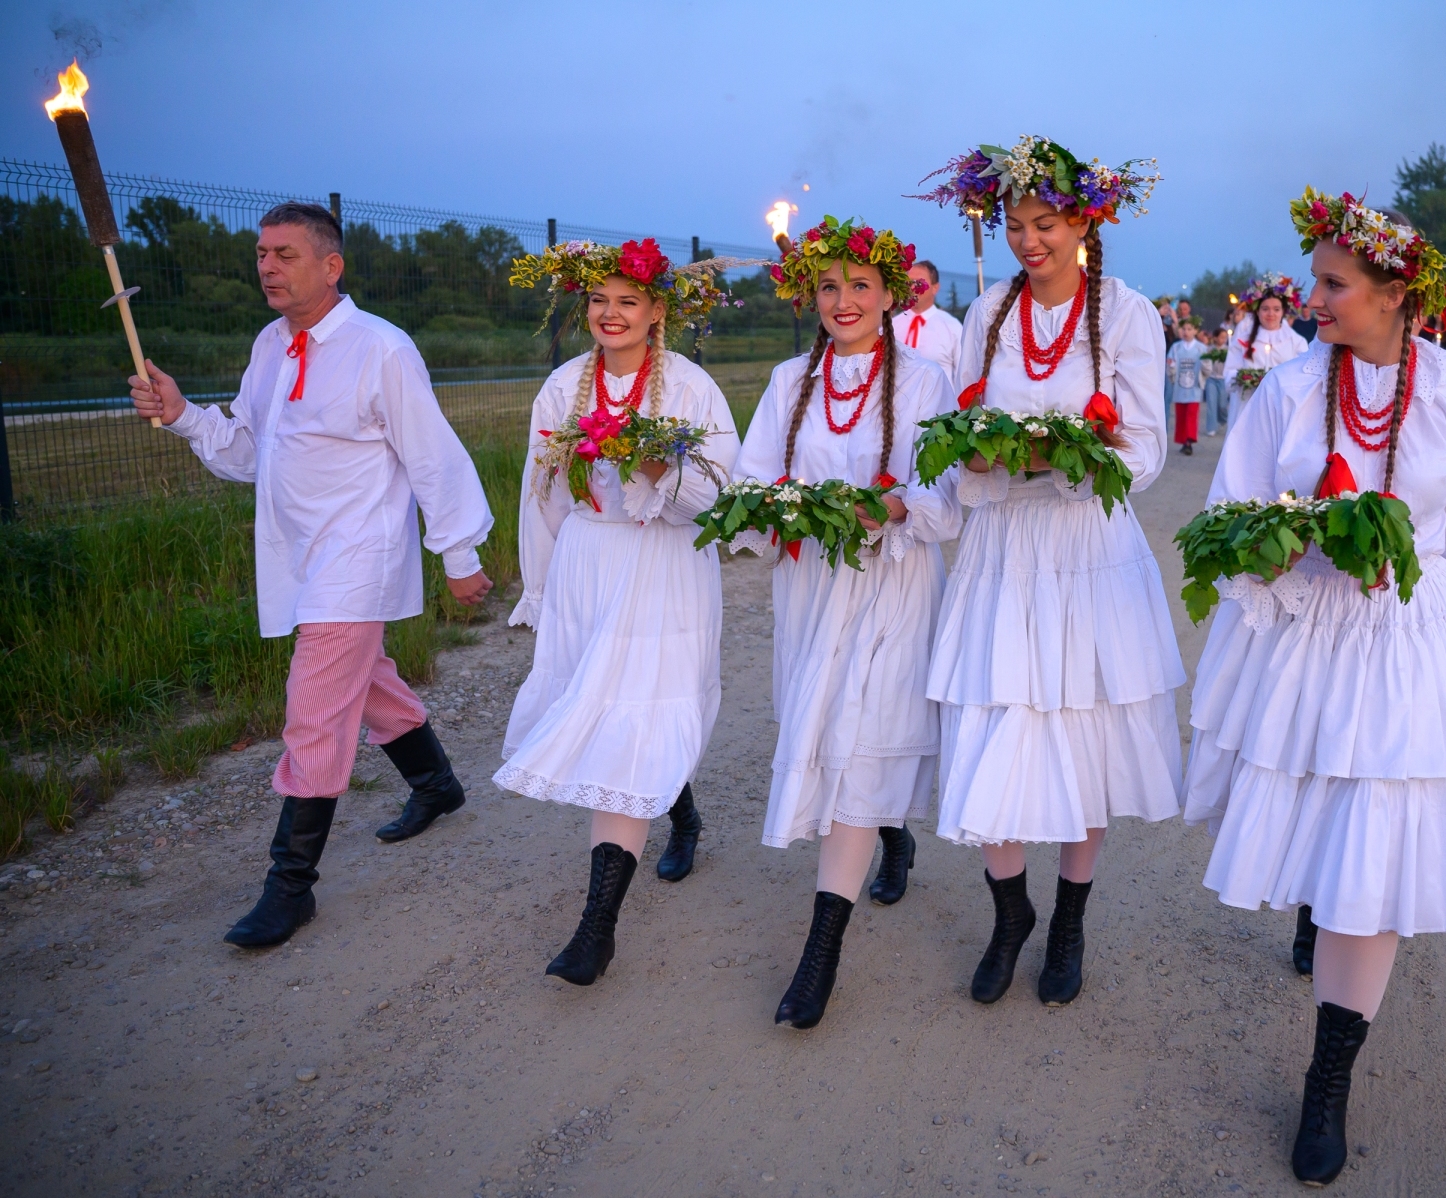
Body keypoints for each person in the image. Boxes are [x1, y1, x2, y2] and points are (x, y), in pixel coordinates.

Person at [1185, 188, 1446, 1186]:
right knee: (1316, 829)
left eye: (1334, 284)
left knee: (1372, 863)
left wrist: (1441, 647)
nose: (1314, 298)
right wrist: (1290, 548)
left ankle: (1327, 1080)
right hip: (1308, 632)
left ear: (1394, 294)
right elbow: (1226, 515)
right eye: (1316, 281)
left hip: (1404, 644)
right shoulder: (1288, 390)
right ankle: (1311, 906)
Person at [127, 202, 494, 948]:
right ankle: (435, 784)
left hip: (359, 557)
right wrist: (185, 413)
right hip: (298, 556)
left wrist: (459, 555)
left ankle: (289, 888)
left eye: (285, 254)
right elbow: (249, 452)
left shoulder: (381, 348)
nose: (267, 266)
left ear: (331, 266)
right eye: (261, 254)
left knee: (315, 708)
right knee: (363, 679)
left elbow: (433, 455)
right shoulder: (269, 345)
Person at [917, 135, 1183, 1008]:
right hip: (1001, 550)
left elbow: (1144, 448)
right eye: (1015, 225)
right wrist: (981, 458)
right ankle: (1010, 915)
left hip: (1087, 548)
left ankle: (1069, 920)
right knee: (993, 725)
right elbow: (959, 429)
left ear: (1084, 224)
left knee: (1084, 732)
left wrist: (1060, 463)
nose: (1029, 241)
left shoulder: (1129, 314)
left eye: (1046, 224)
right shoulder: (988, 312)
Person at [496, 239, 744, 985]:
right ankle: (682, 813)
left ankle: (596, 929)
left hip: (664, 567)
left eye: (628, 301)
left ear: (657, 310)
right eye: (599, 301)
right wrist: (542, 589)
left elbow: (722, 497)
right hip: (589, 564)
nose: (611, 314)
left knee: (636, 715)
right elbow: (542, 495)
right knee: (614, 713)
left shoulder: (691, 388)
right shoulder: (562, 387)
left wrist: (661, 469)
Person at [736, 216, 962, 1029]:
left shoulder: (927, 382)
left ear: (890, 294)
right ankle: (891, 835)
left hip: (893, 584)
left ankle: (820, 954)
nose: (843, 301)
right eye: (829, 286)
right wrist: (774, 509)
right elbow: (752, 479)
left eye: (860, 285)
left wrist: (894, 506)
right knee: (832, 732)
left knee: (863, 747)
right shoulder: (786, 379)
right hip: (812, 589)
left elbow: (946, 495)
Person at [1224, 272, 1309, 428]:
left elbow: (1304, 376)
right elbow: (1230, 372)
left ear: (1283, 312)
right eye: (1265, 309)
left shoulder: (1296, 342)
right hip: (1248, 406)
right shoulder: (1242, 339)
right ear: (1257, 311)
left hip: (1281, 410)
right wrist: (1246, 378)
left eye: (1276, 309)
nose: (1271, 314)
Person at [899, 259, 963, 381]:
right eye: (908, 283)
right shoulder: (892, 326)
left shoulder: (952, 327)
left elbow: (963, 376)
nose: (912, 287)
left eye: (918, 283)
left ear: (935, 288)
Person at [1167, 317, 1206, 454]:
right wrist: (1171, 367)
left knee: (1191, 414)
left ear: (1195, 331)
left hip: (1194, 387)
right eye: (1184, 329)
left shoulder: (1201, 348)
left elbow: (1207, 369)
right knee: (1181, 415)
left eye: (1190, 329)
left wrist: (1206, 366)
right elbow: (1170, 365)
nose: (1186, 332)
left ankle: (1189, 441)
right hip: (1180, 387)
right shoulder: (1176, 348)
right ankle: (1184, 441)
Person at [1201, 326, 1230, 436]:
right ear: (1215, 337)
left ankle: (1223, 419)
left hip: (1223, 379)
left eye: (1225, 337)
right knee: (1211, 403)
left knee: (1222, 404)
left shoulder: (1228, 350)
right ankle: (1211, 427)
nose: (1223, 339)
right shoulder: (1209, 349)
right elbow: (1204, 362)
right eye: (1221, 337)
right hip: (1211, 379)